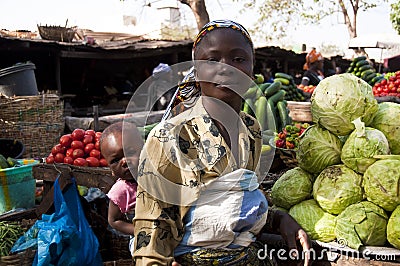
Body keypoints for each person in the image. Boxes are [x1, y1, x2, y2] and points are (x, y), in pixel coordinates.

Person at [133, 19, 311, 266]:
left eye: (238, 59)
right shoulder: (170, 137)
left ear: (251, 68)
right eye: (212, 60)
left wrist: (278, 220)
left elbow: (239, 202)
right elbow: (151, 228)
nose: (226, 68)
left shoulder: (251, 129)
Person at [100, 121, 144, 256]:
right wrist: (139, 231)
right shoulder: (120, 191)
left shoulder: (157, 177)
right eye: (115, 161)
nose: (124, 161)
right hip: (143, 238)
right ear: (111, 170)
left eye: (130, 152)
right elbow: (114, 220)